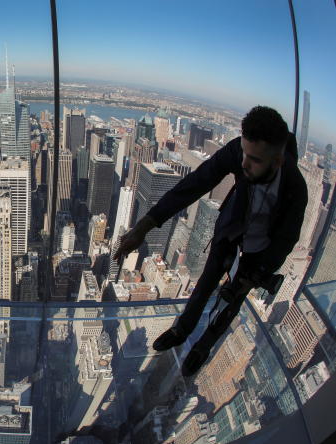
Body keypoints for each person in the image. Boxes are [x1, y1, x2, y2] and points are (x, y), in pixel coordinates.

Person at [113, 106, 308, 376]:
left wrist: (259, 273)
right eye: (244, 153)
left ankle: (203, 347)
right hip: (230, 231)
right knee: (205, 283)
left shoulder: (295, 188)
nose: (244, 164)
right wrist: (145, 226)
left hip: (259, 251)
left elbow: (286, 239)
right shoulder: (239, 152)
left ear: (277, 161)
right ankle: (182, 329)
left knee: (231, 302)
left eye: (254, 160)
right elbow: (194, 184)